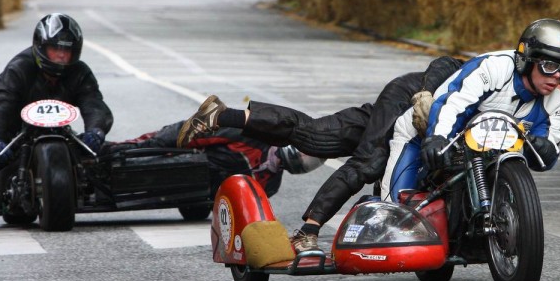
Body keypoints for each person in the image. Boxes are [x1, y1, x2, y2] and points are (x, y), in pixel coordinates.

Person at [175, 56, 466, 252]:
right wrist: (426, 94)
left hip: (408, 106)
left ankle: (223, 116)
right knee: (370, 162)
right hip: (409, 98)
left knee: (318, 137)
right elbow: (448, 62)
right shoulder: (500, 67)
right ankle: (308, 231)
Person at [381, 18, 560, 203]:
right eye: (549, 65)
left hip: (481, 154)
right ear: (527, 58)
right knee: (396, 209)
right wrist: (437, 137)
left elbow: (547, 156)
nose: (557, 76)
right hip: (423, 135)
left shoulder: (556, 101)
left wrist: (542, 148)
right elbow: (453, 105)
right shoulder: (494, 68)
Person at [0, 14, 113, 209]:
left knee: (102, 162)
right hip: (15, 134)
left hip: (61, 133)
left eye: (67, 50)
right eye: (55, 48)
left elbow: (94, 104)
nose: (62, 56)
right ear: (40, 46)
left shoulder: (80, 72)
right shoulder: (19, 69)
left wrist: (96, 130)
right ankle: (3, 189)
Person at [104, 122, 324, 198]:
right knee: (137, 153)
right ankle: (105, 155)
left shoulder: (270, 185)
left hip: (196, 192)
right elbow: (193, 132)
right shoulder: (249, 135)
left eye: (311, 163)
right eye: (307, 156)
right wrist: (150, 145)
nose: (305, 163)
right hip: (180, 156)